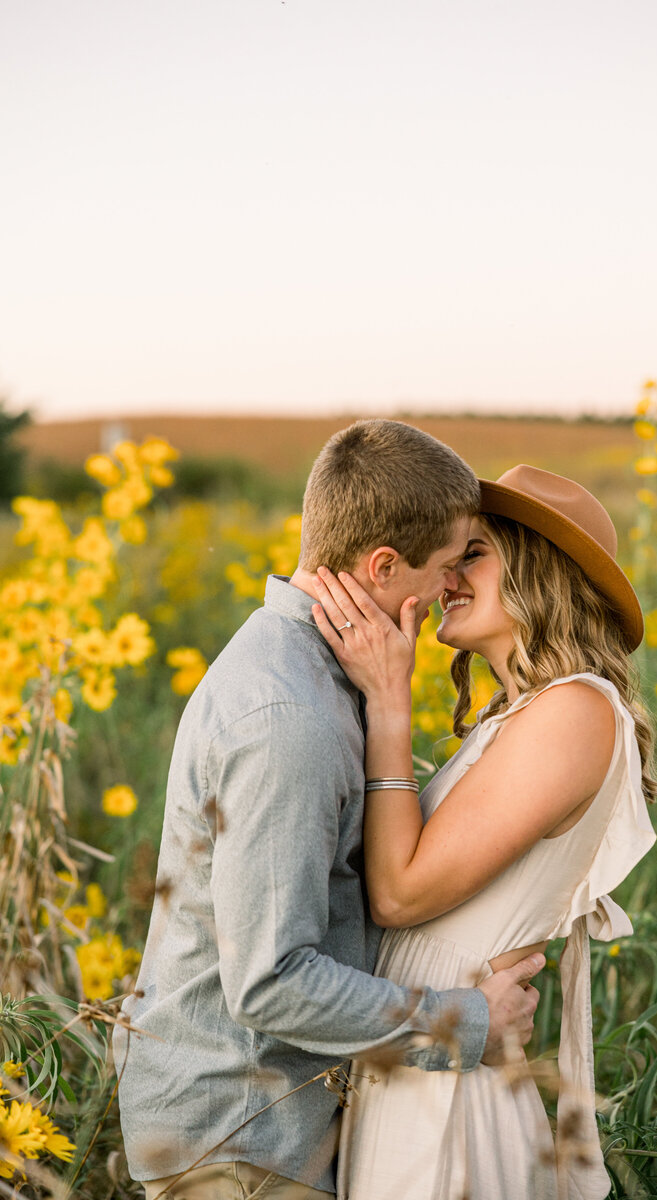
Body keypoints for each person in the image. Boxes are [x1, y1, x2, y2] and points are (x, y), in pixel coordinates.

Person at [113, 422, 543, 1200]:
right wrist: (469, 1023)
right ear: (383, 566)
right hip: (241, 1143)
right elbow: (271, 983)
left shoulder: (317, 675)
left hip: (255, 1127)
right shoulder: (290, 719)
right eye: (449, 565)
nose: (454, 587)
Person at [310, 464, 657, 1200]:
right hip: (428, 1049)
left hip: (453, 1086)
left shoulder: (574, 711)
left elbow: (402, 894)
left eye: (473, 553)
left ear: (541, 574)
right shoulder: (514, 714)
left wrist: (389, 701)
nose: (447, 576)